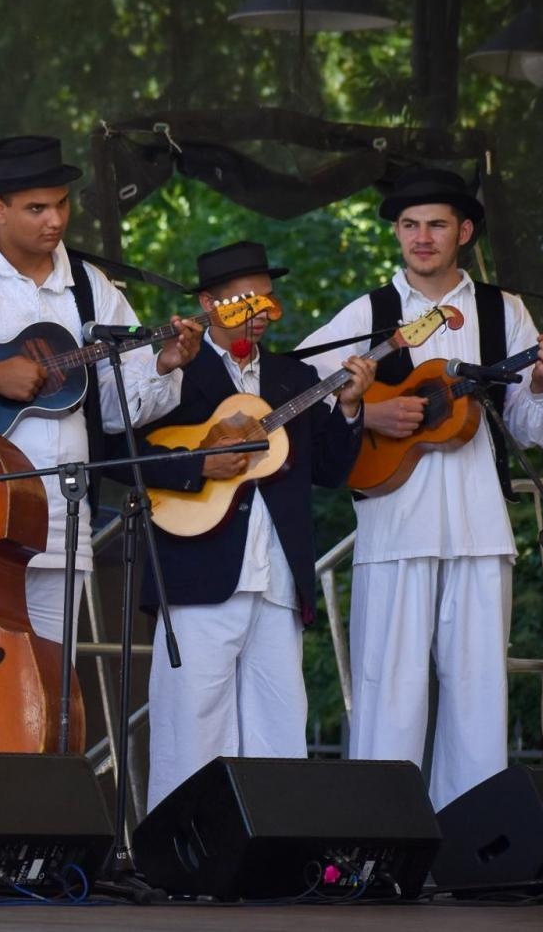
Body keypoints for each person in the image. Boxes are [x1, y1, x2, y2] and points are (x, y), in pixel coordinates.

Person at [298, 168, 543, 809]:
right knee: (387, 690)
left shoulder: (502, 310)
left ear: (465, 231)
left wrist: (540, 384)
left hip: (480, 525)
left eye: (436, 224)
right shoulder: (370, 312)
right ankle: (378, 837)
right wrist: (368, 412)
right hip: (395, 524)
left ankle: (470, 842)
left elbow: (533, 427)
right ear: (398, 233)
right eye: (409, 225)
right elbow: (295, 391)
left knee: (479, 694)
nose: (421, 237)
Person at [0, 135, 202, 644]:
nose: (55, 220)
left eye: (61, 204)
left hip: (64, 519)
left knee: (54, 672)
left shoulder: (90, 285)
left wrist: (164, 365)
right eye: (36, 208)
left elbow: (115, 412)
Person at [137, 241, 374, 807]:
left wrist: (349, 408)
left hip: (277, 578)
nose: (261, 312)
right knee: (191, 728)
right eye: (246, 301)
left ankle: (274, 843)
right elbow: (123, 455)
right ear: (209, 304)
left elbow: (331, 471)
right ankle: (184, 847)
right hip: (198, 572)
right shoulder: (174, 368)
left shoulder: (295, 376)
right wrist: (198, 465)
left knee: (280, 727)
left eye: (267, 299)